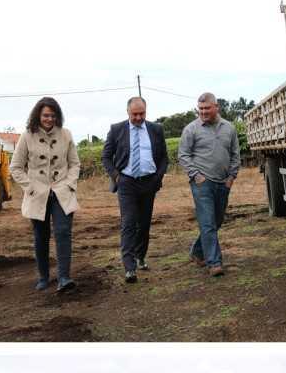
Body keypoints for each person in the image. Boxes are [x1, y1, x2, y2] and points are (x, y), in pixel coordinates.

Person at [11, 97, 80, 293]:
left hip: (62, 191)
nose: (49, 119)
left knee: (63, 232)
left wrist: (70, 184)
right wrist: (30, 187)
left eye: (53, 115)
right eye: (45, 115)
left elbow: (75, 164)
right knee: (41, 236)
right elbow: (15, 167)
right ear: (38, 116)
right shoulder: (27, 136)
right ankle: (43, 277)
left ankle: (64, 277)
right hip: (37, 194)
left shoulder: (66, 135)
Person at [102, 97, 168, 282]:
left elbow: (164, 157)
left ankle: (140, 256)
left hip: (149, 182)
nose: (138, 117)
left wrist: (157, 177)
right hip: (127, 183)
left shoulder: (156, 129)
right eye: (135, 114)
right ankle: (129, 268)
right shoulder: (117, 130)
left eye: (142, 113)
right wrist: (117, 177)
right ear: (128, 112)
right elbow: (106, 157)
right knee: (129, 222)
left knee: (144, 224)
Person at [178, 92, 241, 277]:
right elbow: (183, 155)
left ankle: (198, 251)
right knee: (207, 222)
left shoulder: (229, 128)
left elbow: (235, 154)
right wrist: (196, 176)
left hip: (223, 182)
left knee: (217, 220)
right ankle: (214, 263)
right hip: (202, 184)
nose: (203, 112)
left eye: (207, 108)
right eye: (200, 109)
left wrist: (231, 177)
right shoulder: (191, 129)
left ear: (216, 107)